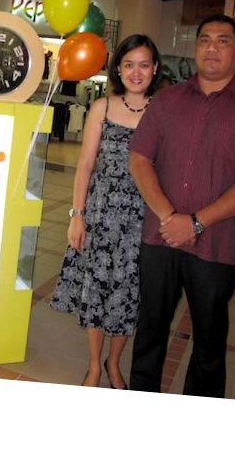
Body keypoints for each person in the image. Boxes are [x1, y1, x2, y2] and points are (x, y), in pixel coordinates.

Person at [128, 14, 235, 398]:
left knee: (209, 345)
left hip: (215, 244)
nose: (212, 48)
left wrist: (195, 222)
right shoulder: (168, 100)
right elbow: (139, 158)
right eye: (204, 40)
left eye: (222, 41)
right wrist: (169, 216)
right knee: (150, 331)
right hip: (160, 238)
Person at [50, 34, 161, 389]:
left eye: (143, 65)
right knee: (96, 289)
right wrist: (77, 216)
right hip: (100, 215)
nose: (136, 72)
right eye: (129, 65)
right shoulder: (102, 107)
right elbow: (85, 165)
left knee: (128, 293)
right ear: (118, 69)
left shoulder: (162, 111)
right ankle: (94, 364)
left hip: (141, 219)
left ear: (155, 69)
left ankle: (114, 363)